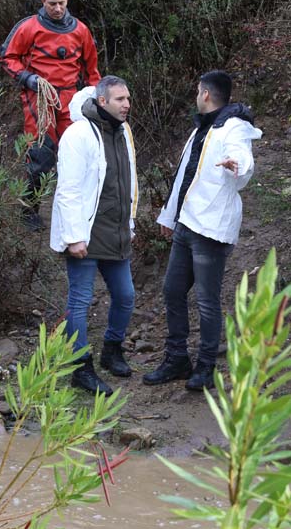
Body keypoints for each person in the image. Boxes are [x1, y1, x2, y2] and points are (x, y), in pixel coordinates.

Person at [144, 70, 261, 390]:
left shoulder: (234, 128)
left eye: (198, 90)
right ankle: (177, 358)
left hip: (210, 227)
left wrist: (237, 165)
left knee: (207, 300)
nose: (197, 95)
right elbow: (184, 176)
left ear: (205, 94)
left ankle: (206, 367)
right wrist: (170, 219)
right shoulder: (201, 130)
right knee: (172, 290)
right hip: (186, 223)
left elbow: (242, 157)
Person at [50, 76, 138, 395]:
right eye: (119, 99)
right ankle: (81, 367)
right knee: (80, 300)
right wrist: (74, 236)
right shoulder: (77, 135)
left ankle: (112, 350)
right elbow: (69, 190)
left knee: (126, 296)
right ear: (102, 102)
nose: (127, 104)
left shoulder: (123, 133)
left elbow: (129, 184)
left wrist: (129, 225)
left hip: (115, 232)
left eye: (128, 98)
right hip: (86, 234)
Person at [0, 0, 101, 229]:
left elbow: (92, 70)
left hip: (71, 99)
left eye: (61, 3)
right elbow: (7, 57)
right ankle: (29, 210)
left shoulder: (81, 30)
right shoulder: (29, 27)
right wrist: (28, 78)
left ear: (68, 1)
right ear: (43, 1)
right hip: (38, 96)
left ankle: (75, 212)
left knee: (76, 154)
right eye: (52, 3)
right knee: (41, 155)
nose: (57, 8)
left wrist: (97, 101)